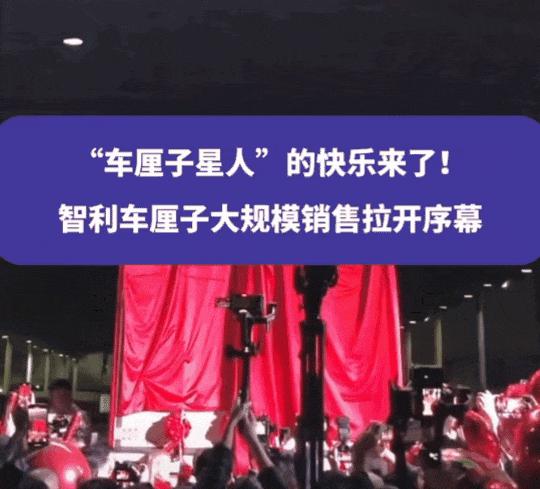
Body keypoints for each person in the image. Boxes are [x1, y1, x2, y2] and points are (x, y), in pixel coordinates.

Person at [47, 380, 91, 448]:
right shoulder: (44, 413)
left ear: (69, 396)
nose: (60, 399)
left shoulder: (80, 416)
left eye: (63, 396)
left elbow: (84, 442)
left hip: (70, 450)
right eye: (57, 396)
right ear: (51, 396)